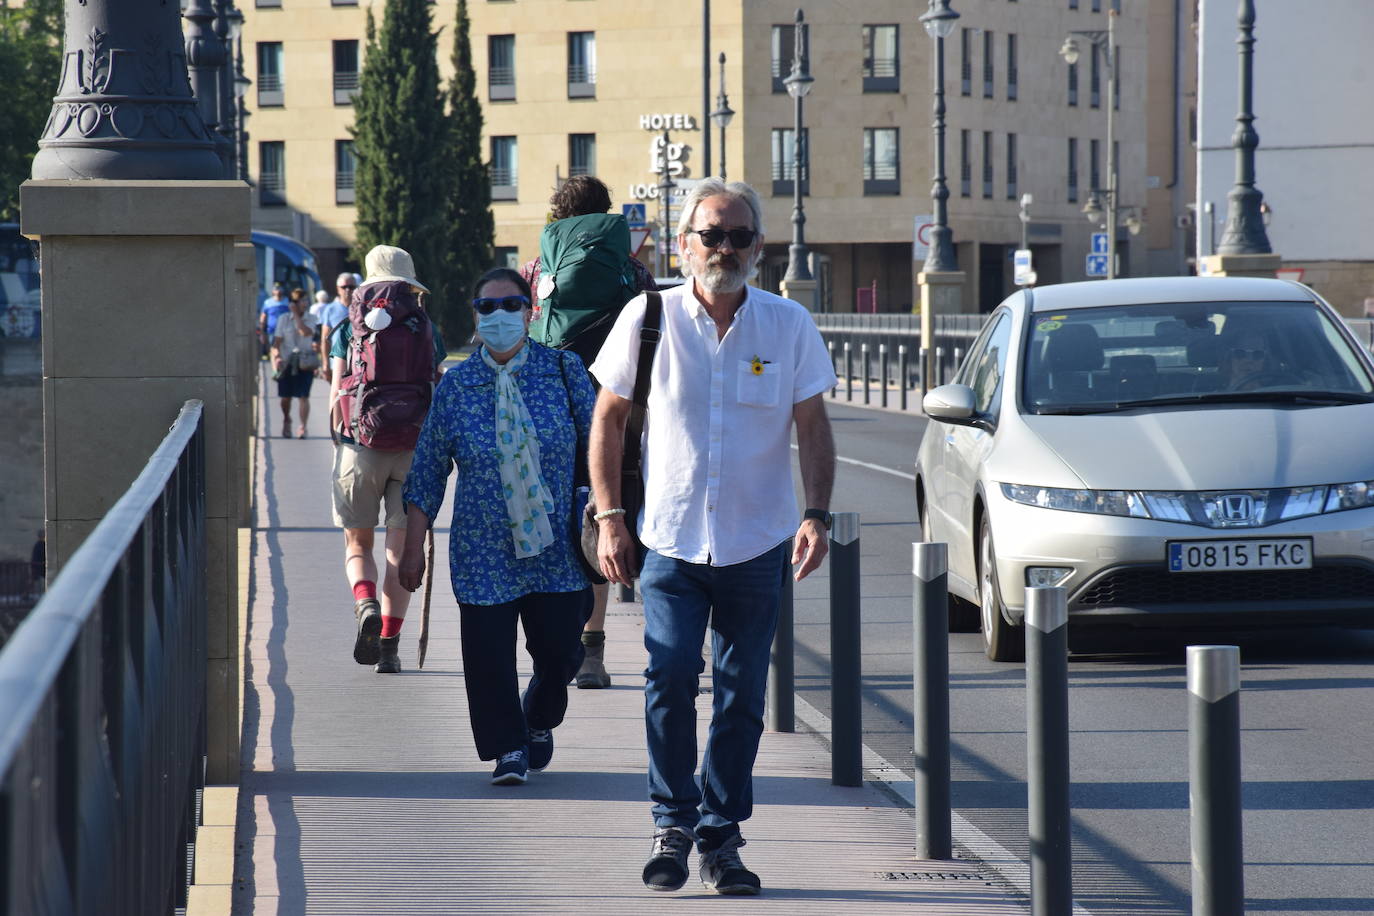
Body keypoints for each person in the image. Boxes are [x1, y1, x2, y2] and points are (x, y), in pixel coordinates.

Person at [588, 178, 837, 896]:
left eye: (738, 236)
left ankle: (721, 837)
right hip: (667, 539)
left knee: (740, 695)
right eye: (711, 235)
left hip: (756, 542)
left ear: (758, 247)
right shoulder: (647, 318)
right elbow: (607, 420)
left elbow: (813, 428)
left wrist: (815, 513)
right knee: (668, 678)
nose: (724, 249)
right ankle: (673, 821)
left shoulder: (787, 326)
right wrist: (610, 517)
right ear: (684, 243)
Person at [399, 267, 595, 786]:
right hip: (483, 545)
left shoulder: (564, 370)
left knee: (560, 652)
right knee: (488, 657)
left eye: (511, 305)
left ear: (530, 312)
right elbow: (428, 467)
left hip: (557, 548)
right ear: (474, 317)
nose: (499, 316)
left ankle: (538, 718)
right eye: (487, 307)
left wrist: (613, 515)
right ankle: (508, 748)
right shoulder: (458, 385)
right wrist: (411, 546)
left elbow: (600, 447)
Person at [520, 174, 656, 690]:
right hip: (615, 413)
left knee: (549, 522)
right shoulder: (631, 270)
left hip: (548, 412)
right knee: (603, 515)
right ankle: (593, 649)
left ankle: (549, 642)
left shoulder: (537, 270)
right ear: (606, 216)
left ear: (557, 218)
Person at [328, 245, 446, 674]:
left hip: (360, 446)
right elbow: (437, 387)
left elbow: (338, 391)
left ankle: (365, 605)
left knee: (358, 544)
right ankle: (390, 645)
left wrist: (341, 440)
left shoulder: (346, 327)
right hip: (414, 448)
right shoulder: (426, 328)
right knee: (401, 549)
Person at [271, 290, 320, 438]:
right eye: (302, 301)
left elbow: (305, 332)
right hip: (287, 363)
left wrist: (297, 316)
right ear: (293, 303)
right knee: (285, 397)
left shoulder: (311, 318)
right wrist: (277, 356)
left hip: (305, 362)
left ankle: (303, 427)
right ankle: (287, 419)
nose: (305, 303)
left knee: (303, 396)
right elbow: (276, 343)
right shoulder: (283, 319)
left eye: (306, 300)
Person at [317, 272, 356, 384]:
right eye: (344, 287)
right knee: (338, 396)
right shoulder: (330, 309)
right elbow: (325, 339)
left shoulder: (361, 308)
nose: (348, 290)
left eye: (351, 287)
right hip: (337, 362)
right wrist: (325, 364)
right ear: (338, 289)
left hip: (357, 362)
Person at [258, 283, 290, 357]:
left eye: (280, 288)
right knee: (274, 349)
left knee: (284, 349)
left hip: (285, 330)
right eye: (276, 289)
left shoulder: (287, 301)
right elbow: (263, 317)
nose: (278, 291)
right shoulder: (268, 302)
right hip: (272, 330)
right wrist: (262, 332)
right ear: (273, 291)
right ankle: (275, 367)